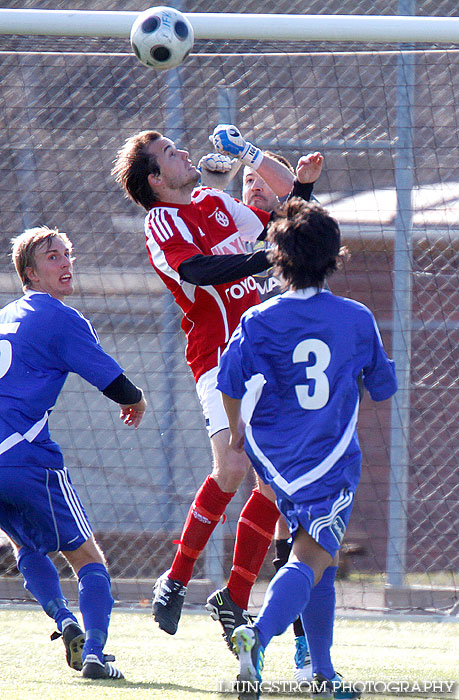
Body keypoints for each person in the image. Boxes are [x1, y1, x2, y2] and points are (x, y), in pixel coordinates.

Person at [111, 124, 315, 641]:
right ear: (156, 179)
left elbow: (283, 219)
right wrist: (264, 256)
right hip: (219, 358)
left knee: (271, 480)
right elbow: (200, 270)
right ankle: (176, 579)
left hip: (264, 356)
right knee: (231, 467)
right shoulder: (161, 221)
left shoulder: (211, 200)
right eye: (168, 153)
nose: (183, 152)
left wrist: (299, 188)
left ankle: (234, 598)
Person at [216, 199, 397, 699]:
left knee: (323, 558)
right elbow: (383, 387)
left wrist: (235, 434)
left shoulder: (258, 318)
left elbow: (229, 382)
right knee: (313, 556)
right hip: (329, 458)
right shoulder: (356, 318)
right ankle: (259, 635)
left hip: (275, 459)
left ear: (278, 258)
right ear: (335, 255)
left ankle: (323, 670)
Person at [0, 226, 147, 680]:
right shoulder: (60, 317)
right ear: (31, 273)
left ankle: (64, 620)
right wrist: (135, 399)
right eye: (52, 257)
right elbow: (113, 382)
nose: (65, 263)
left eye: (68, 253)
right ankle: (97, 654)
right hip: (26, 457)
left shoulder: (6, 316)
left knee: (26, 544)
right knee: (88, 559)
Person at [200, 149, 323, 681]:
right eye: (244, 182)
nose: (251, 187)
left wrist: (256, 155)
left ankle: (279, 637)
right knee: (280, 507)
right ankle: (274, 633)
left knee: (286, 523)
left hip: (297, 390)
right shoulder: (238, 242)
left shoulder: (289, 242)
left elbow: (295, 201)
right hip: (256, 383)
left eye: (260, 182)